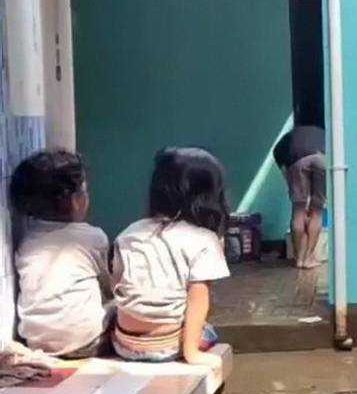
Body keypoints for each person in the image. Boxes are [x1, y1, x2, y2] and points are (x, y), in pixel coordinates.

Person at [111, 147, 229, 365]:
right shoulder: (204, 240)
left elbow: (117, 284)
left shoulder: (129, 232)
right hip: (166, 346)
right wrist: (191, 353)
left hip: (124, 344)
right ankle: (192, 348)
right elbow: (198, 298)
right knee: (210, 331)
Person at [10, 149, 113, 358]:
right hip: (86, 341)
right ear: (76, 201)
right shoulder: (93, 237)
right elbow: (109, 287)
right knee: (123, 305)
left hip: (36, 341)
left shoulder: (27, 239)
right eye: (85, 190)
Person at [273, 125, 327, 269]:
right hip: (323, 159)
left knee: (298, 210)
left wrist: (287, 177)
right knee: (317, 210)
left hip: (298, 161)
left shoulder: (289, 136)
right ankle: (309, 257)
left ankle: (298, 259)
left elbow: (278, 155)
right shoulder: (324, 132)